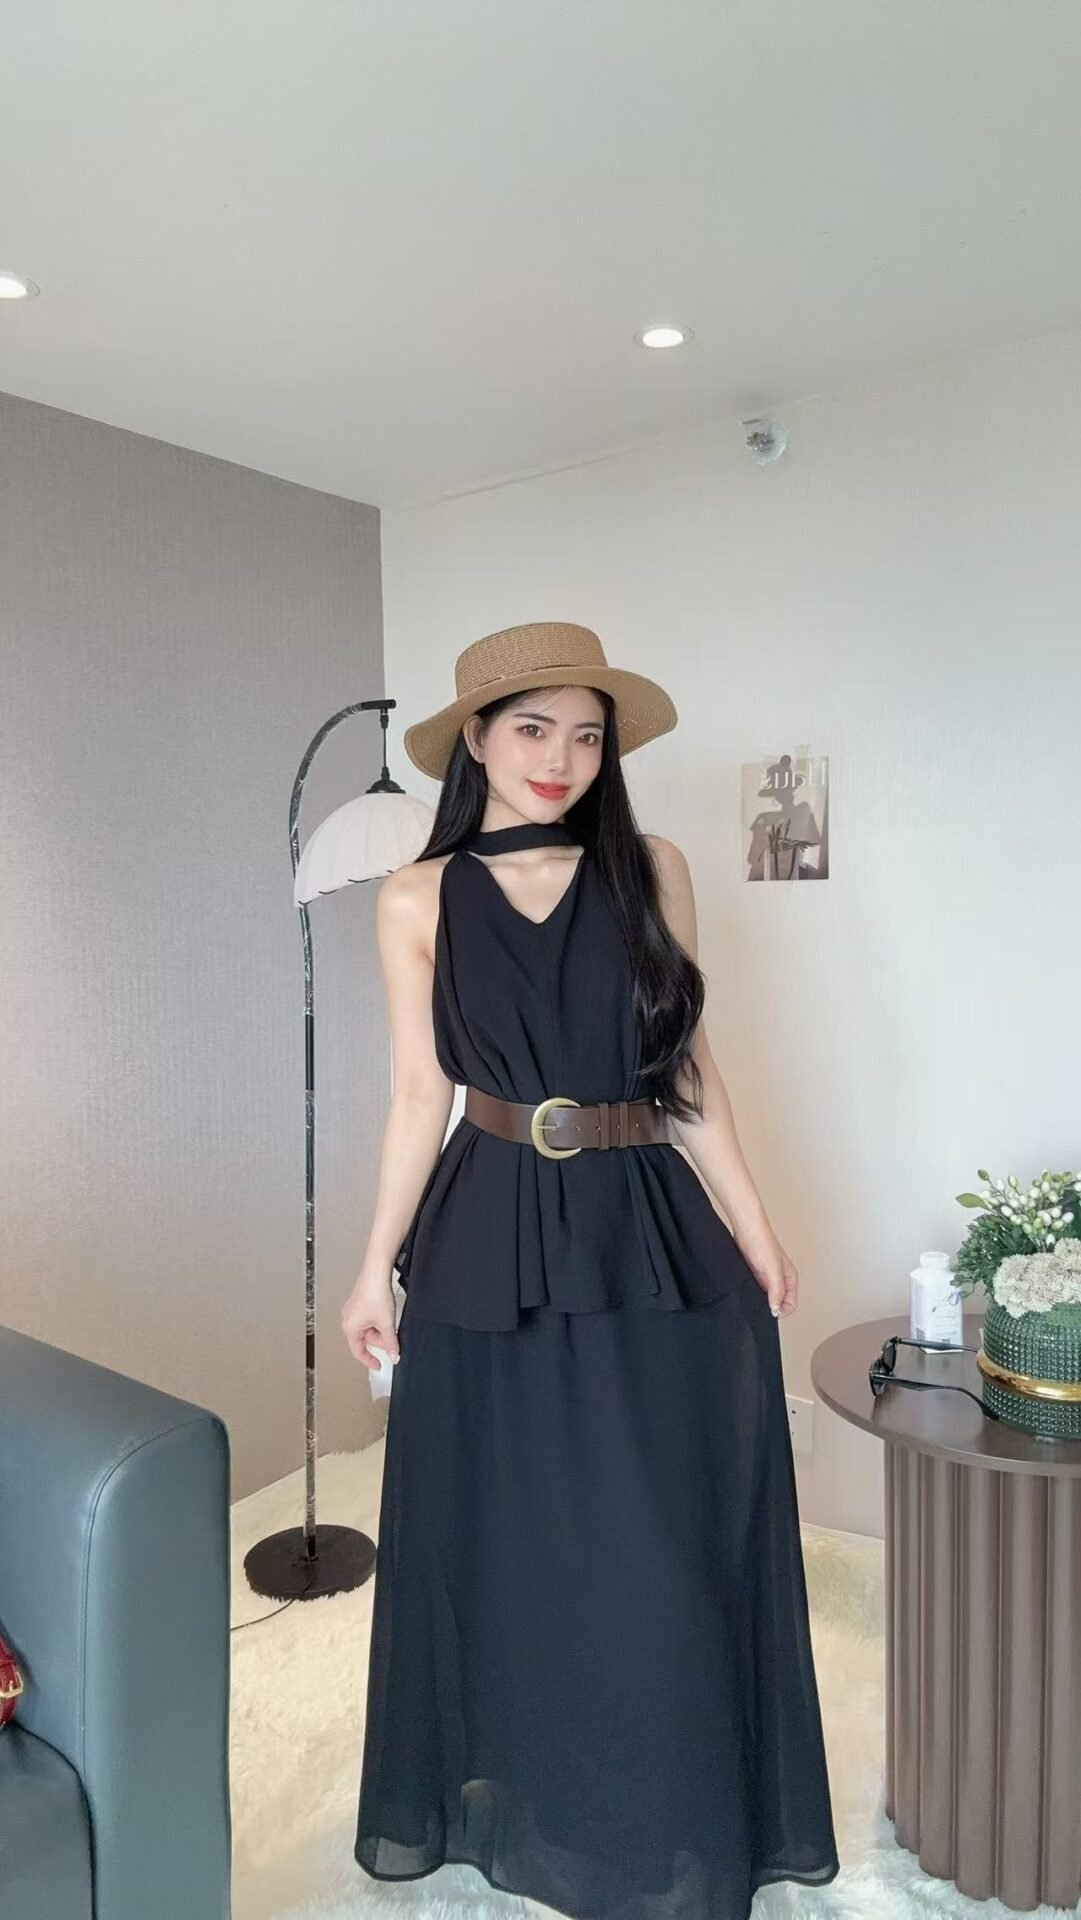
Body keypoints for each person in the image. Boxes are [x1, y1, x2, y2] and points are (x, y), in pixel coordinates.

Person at [344, 621, 840, 1920]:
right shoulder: (412, 897)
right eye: (531, 728)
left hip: (645, 1223)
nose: (560, 756)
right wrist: (371, 1266)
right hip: (486, 1224)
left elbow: (687, 1070)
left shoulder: (652, 869)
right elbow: (417, 1097)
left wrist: (753, 1225)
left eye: (584, 732)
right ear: (474, 741)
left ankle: (668, 1797)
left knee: (658, 1527)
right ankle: (532, 1791)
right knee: (505, 1533)